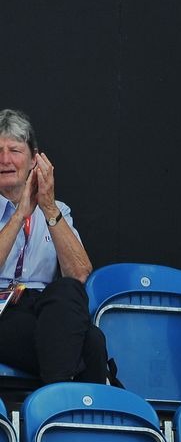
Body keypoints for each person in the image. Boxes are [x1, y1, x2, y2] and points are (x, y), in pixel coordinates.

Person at [0, 109, 107, 383]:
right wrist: (19, 215)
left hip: (43, 310)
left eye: (14, 150)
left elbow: (80, 273)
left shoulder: (57, 210)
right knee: (91, 342)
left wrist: (47, 208)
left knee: (68, 289)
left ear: (34, 159)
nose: (5, 159)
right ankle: (68, 409)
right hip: (2, 312)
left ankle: (56, 396)